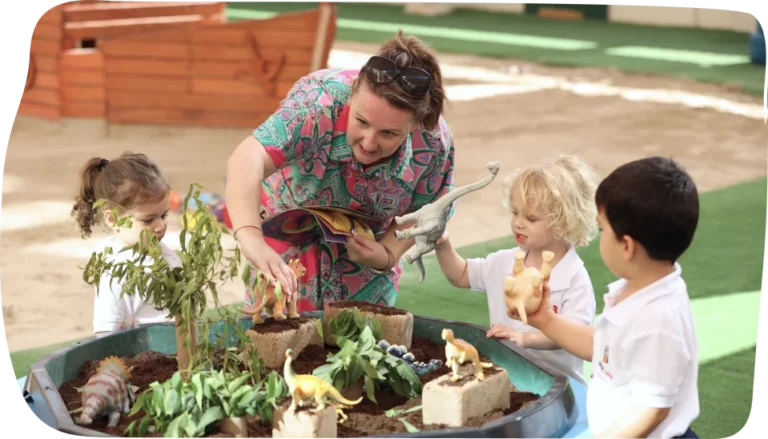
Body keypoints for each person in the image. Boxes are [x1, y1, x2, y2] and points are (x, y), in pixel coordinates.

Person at [225, 31, 456, 312]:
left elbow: (430, 208)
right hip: (285, 244)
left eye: (389, 133)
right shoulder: (317, 103)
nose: (369, 143)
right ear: (352, 94)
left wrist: (387, 254)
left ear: (415, 124)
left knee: (363, 337)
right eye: (361, 121)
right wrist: (251, 237)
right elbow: (247, 157)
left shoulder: (434, 142)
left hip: (366, 258)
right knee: (277, 333)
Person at [514, 157, 700, 439]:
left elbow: (652, 409)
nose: (600, 236)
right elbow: (605, 347)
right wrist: (545, 320)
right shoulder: (638, 288)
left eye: (603, 229)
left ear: (627, 246)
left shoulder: (659, 319)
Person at [433, 154, 599, 385]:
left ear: (563, 222)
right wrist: (442, 244)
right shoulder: (504, 262)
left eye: (531, 218)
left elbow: (572, 336)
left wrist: (524, 338)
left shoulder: (574, 278)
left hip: (560, 387)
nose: (518, 223)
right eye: (515, 212)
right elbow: (460, 274)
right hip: (510, 379)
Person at [71, 151, 178, 336]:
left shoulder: (165, 255)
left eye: (163, 215)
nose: (160, 226)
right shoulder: (115, 273)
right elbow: (106, 335)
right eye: (148, 220)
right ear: (114, 219)